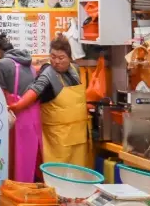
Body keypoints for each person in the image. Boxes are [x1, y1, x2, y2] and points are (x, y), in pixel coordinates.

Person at [8, 35, 90, 168]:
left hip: (79, 137)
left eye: (61, 57)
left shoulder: (76, 70)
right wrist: (17, 105)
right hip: (57, 140)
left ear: (70, 58)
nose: (56, 61)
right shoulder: (48, 73)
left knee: (79, 175)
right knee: (58, 175)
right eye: (53, 56)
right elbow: (35, 90)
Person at [0, 33, 41, 182]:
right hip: (33, 117)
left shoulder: (2, 64)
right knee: (27, 159)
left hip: (14, 115)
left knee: (13, 157)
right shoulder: (28, 63)